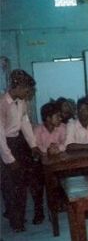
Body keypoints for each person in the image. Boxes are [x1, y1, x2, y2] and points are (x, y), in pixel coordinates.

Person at [0, 69, 44, 231]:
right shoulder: (2, 103)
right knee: (10, 187)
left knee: (21, 184)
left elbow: (25, 123)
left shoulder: (22, 102)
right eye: (27, 89)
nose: (28, 93)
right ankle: (15, 222)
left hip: (19, 142)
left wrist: (33, 145)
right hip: (5, 145)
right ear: (17, 86)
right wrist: (9, 159)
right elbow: (0, 136)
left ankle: (20, 218)